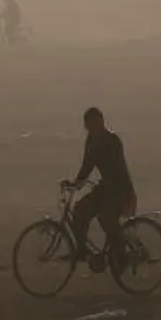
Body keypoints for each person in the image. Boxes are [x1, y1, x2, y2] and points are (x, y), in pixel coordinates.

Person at [63, 107, 137, 272]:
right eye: (87, 125)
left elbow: (117, 169)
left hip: (120, 189)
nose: (89, 128)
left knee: (107, 220)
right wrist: (75, 183)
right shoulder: (91, 140)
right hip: (105, 188)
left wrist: (79, 183)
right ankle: (82, 250)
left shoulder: (112, 140)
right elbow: (86, 165)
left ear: (101, 122)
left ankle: (121, 255)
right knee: (80, 211)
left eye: (92, 124)